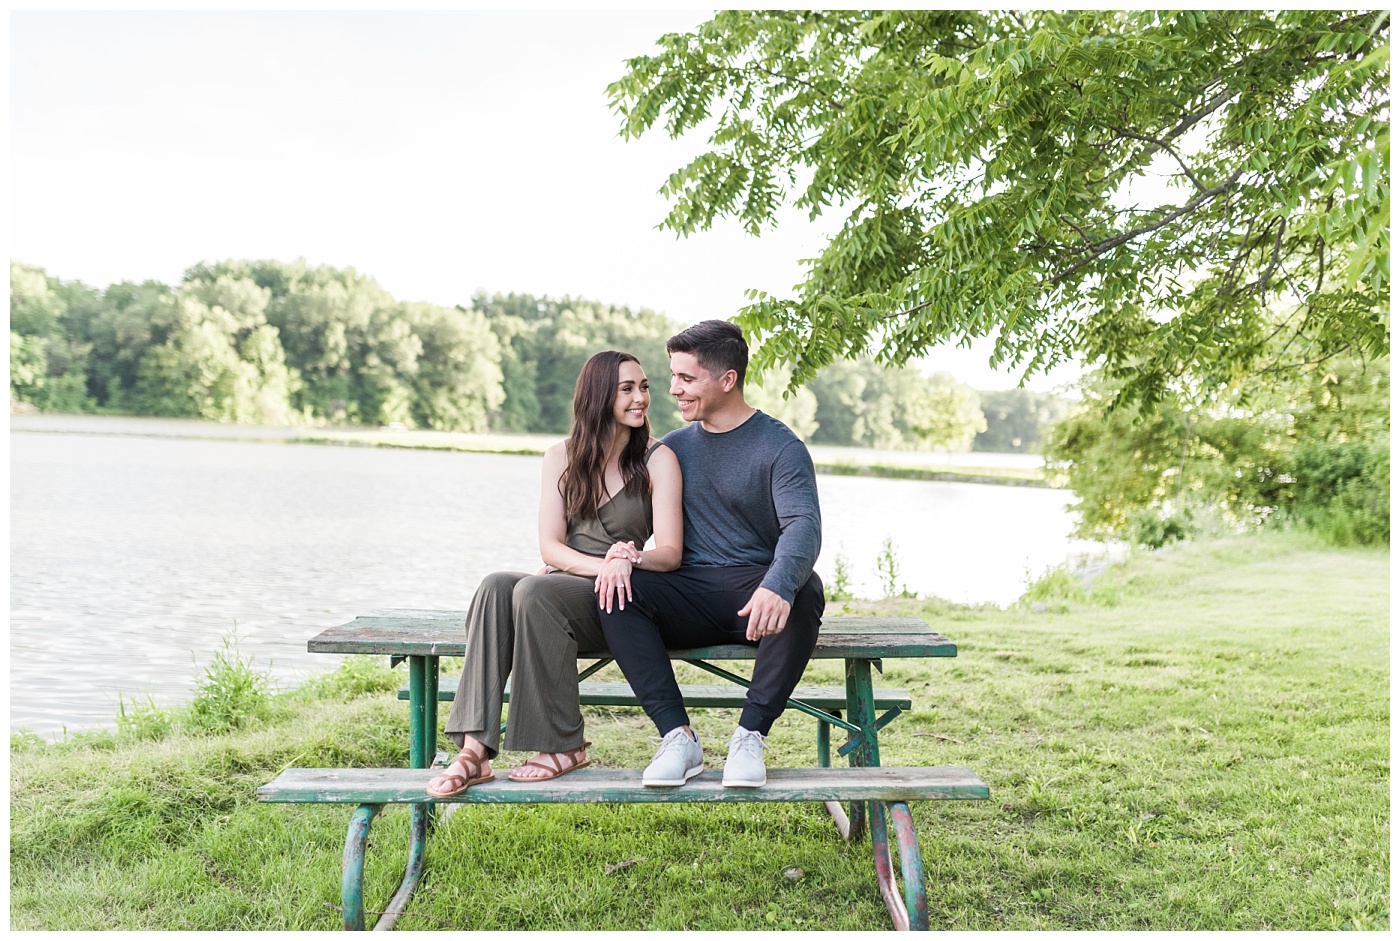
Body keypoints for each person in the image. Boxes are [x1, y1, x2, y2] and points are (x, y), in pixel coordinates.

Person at [426, 350, 683, 797]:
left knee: (532, 591)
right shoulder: (560, 457)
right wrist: (599, 563)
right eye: (628, 389)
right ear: (599, 395)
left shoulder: (658, 460)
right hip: (565, 581)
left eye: (644, 388)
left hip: (617, 600)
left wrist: (628, 561)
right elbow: (550, 547)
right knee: (495, 585)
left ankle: (562, 745)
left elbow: (671, 552)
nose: (641, 397)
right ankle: (473, 750)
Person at [599, 320, 824, 788]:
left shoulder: (780, 447)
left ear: (727, 380)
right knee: (621, 590)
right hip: (688, 592)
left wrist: (777, 585)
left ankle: (750, 736)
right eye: (672, 376)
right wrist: (599, 554)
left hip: (755, 596)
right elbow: (625, 519)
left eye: (686, 378)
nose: (672, 390)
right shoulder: (671, 450)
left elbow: (803, 526)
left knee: (805, 590)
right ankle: (678, 738)